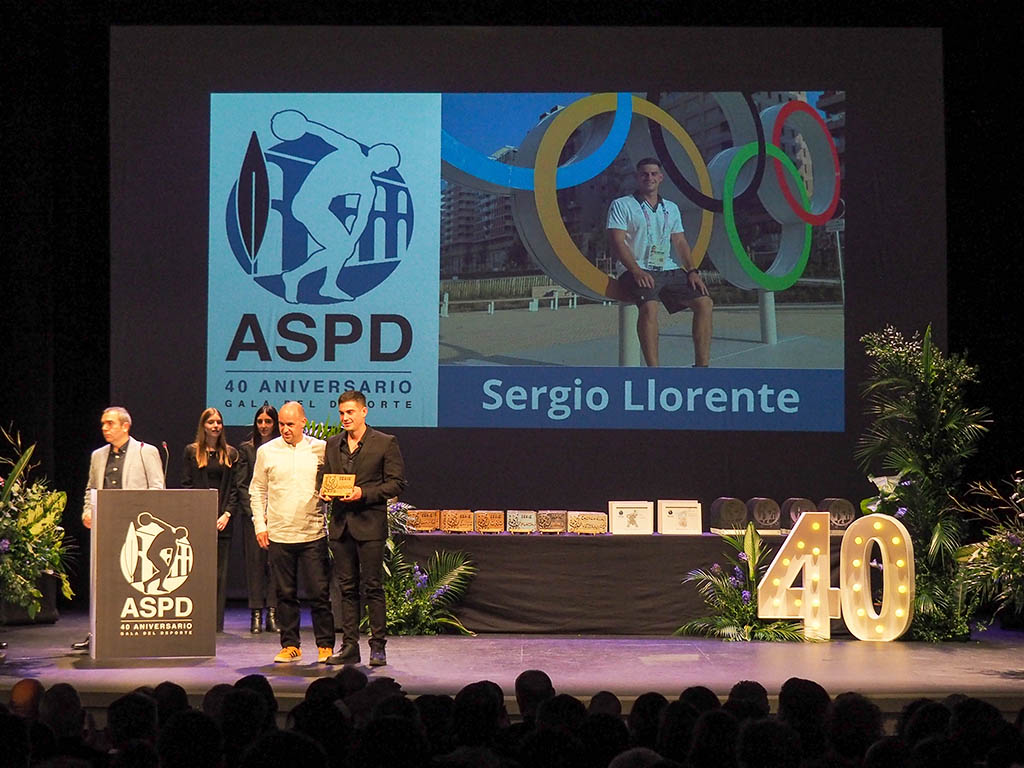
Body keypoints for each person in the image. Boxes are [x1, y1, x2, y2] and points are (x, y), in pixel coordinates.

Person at [270, 109, 401, 303]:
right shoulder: (352, 150)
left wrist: (352, 241)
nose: (388, 170)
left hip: (320, 208)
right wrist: (306, 126)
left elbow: (361, 217)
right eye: (389, 165)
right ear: (379, 157)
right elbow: (327, 135)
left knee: (343, 248)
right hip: (305, 205)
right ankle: (294, 277)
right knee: (340, 248)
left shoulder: (368, 187)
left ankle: (327, 285)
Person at [319, 390, 406, 667]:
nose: (345, 418)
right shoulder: (333, 444)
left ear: (364, 412)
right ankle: (349, 646)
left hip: (369, 526)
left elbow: (396, 484)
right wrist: (323, 490)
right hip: (341, 526)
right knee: (346, 588)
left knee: (372, 587)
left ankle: (377, 647)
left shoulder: (384, 443)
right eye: (342, 413)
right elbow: (325, 477)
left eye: (350, 413)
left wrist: (362, 493)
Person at [249, 401, 335, 663]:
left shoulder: (320, 449)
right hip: (279, 533)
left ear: (303, 422)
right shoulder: (267, 451)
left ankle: (325, 645)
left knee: (319, 593)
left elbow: (332, 482)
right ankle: (290, 645)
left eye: (290, 424)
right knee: (285, 593)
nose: (285, 429)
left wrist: (330, 493)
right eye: (282, 424)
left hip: (313, 533)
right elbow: (257, 490)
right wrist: (260, 526)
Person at [607, 157, 713, 367]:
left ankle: (702, 367)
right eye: (644, 174)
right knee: (650, 308)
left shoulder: (671, 208)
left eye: (654, 173)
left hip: (668, 268)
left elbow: (680, 241)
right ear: (637, 177)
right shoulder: (622, 204)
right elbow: (617, 242)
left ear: (661, 178)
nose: (649, 177)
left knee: (705, 303)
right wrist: (636, 270)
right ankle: (654, 372)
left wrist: (692, 270)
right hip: (635, 268)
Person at [74, 406, 165, 650]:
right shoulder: (98, 455)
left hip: (135, 530)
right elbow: (90, 489)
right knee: (103, 581)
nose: (104, 428)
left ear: (125, 426)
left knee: (134, 579)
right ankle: (99, 632)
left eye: (110, 423)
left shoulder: (146, 452)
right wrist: (87, 511)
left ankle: (136, 632)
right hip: (105, 529)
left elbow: (157, 490)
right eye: (103, 423)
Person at [180, 407, 239, 632]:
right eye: (211, 422)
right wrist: (197, 515)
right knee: (197, 571)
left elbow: (234, 488)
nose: (215, 425)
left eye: (219, 422)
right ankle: (197, 618)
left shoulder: (231, 454)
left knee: (220, 574)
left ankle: (216, 623)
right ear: (203, 426)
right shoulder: (191, 451)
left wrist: (227, 514)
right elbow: (186, 485)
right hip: (198, 521)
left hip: (223, 520)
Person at [235, 404, 281, 634]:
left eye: (268, 421)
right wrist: (255, 513)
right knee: (255, 566)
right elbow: (242, 485)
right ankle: (255, 614)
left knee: (274, 566)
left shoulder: (281, 449)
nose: (263, 426)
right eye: (260, 421)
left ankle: (272, 614)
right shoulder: (247, 450)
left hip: (278, 516)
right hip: (253, 517)